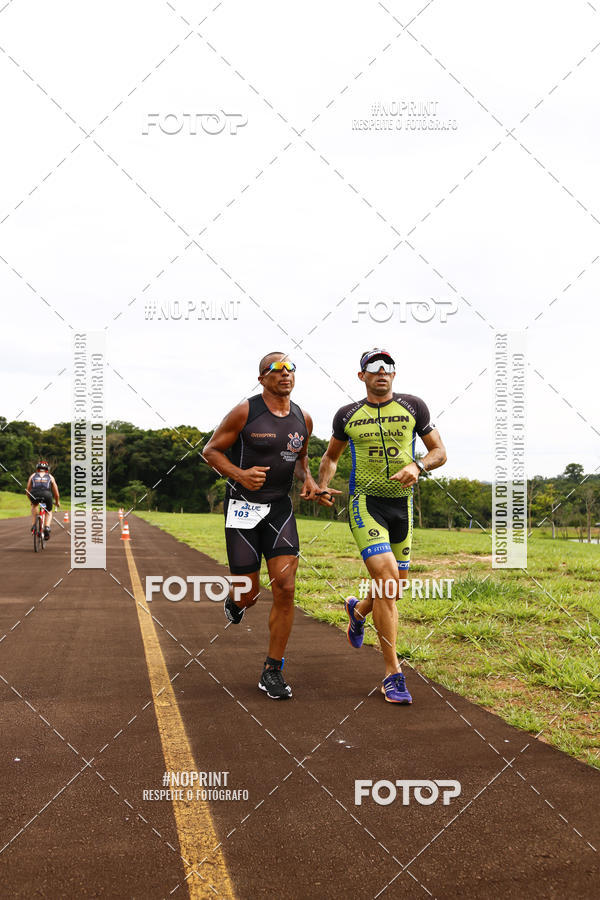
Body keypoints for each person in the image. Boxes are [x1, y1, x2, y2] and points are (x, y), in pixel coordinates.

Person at [314, 349, 447, 704]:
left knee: (394, 588)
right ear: (363, 376)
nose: (382, 371)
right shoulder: (347, 415)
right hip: (365, 503)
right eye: (374, 367)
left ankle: (358, 612)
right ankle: (392, 673)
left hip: (401, 506)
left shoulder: (413, 406)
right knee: (387, 583)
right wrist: (323, 483)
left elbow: (439, 452)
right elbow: (331, 456)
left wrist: (418, 466)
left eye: (388, 366)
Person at [203, 352, 324, 700]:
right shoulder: (245, 411)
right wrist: (240, 474)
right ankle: (237, 602)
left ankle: (273, 669)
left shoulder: (304, 418)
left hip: (279, 508)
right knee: (250, 593)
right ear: (262, 378)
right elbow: (211, 451)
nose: (285, 374)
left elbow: (300, 461)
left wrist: (310, 482)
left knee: (285, 587)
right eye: (277, 369)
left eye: (290, 368)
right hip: (242, 508)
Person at [27, 461, 60, 540]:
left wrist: (31, 500)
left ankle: (34, 525)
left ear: (37, 469)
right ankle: (47, 527)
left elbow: (28, 490)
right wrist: (57, 502)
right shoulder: (50, 477)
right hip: (47, 494)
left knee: (34, 505)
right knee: (49, 511)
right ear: (47, 469)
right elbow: (56, 493)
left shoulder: (33, 475)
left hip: (34, 493)